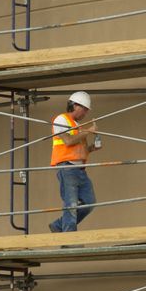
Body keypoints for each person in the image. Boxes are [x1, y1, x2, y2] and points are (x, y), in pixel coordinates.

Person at [48, 91, 100, 233]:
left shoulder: (78, 126)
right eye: (84, 109)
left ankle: (59, 225)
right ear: (75, 105)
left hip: (80, 170)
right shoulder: (61, 120)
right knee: (71, 205)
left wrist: (91, 148)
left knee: (89, 203)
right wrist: (88, 131)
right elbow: (68, 141)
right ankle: (69, 239)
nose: (85, 114)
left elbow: (79, 151)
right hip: (67, 168)